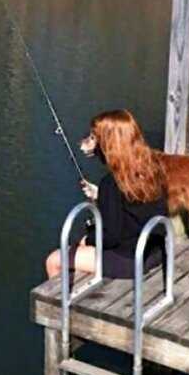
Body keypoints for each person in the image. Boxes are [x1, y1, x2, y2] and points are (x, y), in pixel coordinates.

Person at [45, 111, 167, 280]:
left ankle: (61, 305)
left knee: (54, 260)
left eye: (94, 138)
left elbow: (110, 237)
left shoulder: (111, 183)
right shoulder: (152, 169)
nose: (89, 141)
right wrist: (99, 196)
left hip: (130, 260)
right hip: (155, 250)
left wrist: (88, 239)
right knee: (82, 245)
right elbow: (132, 206)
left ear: (108, 144)